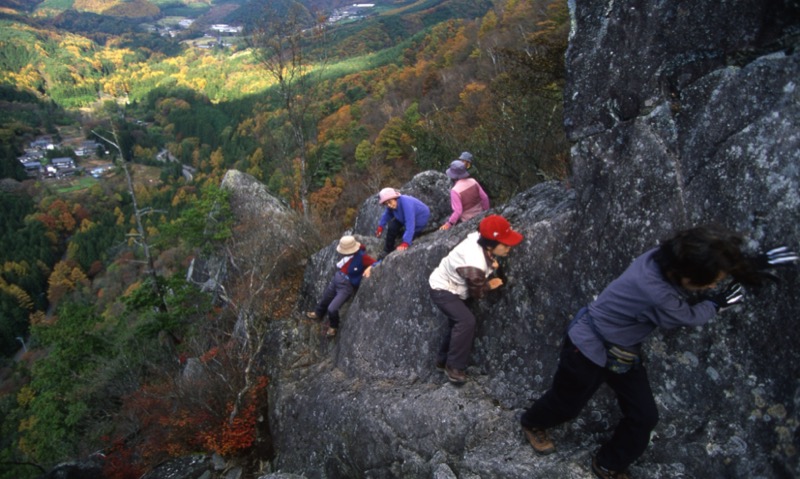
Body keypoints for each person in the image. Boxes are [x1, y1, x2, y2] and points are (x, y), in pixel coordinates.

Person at [518, 225, 798, 479]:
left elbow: (701, 262)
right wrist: (716, 303)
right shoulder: (655, 291)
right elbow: (688, 316)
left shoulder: (664, 257)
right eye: (709, 281)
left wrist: (745, 265)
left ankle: (608, 463)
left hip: (621, 349)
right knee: (567, 404)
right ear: (685, 275)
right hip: (587, 347)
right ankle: (532, 422)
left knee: (644, 416)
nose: (713, 285)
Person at [429, 215, 524, 384]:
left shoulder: (480, 242)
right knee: (466, 322)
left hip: (452, 286)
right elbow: (477, 293)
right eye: (505, 244)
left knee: (455, 324)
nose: (509, 247)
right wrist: (489, 284)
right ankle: (454, 368)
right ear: (490, 245)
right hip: (443, 289)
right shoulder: (475, 263)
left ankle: (442, 360)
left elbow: (480, 259)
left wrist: (490, 260)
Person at [306, 235, 376, 337]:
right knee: (326, 298)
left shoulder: (362, 257)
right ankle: (318, 313)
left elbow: (377, 262)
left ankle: (333, 326)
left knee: (332, 308)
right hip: (337, 278)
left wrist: (369, 268)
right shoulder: (350, 254)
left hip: (346, 286)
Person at [375, 187, 430, 258]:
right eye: (386, 204)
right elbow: (387, 214)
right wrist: (381, 226)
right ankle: (387, 250)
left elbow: (410, 223)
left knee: (409, 234)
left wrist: (406, 242)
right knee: (392, 226)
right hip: (403, 218)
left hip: (419, 220)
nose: (389, 205)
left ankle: (405, 237)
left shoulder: (406, 203)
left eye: (389, 202)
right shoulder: (393, 204)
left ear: (395, 198)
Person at [440, 160, 490, 230]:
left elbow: (458, 211)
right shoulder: (473, 181)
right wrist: (486, 213)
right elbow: (485, 198)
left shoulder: (455, 191)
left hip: (468, 221)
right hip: (481, 215)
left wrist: (449, 224)